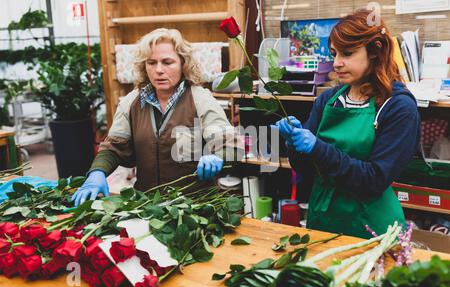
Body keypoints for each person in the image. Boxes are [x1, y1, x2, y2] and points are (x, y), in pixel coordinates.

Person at [274, 10, 421, 238]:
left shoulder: (398, 107)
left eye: (347, 53)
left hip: (372, 227)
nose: (336, 63)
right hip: (324, 219)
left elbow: (373, 180)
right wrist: (292, 141)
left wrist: (318, 148)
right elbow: (304, 168)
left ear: (375, 51)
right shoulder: (328, 100)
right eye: (334, 54)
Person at [72, 28, 238, 206]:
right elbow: (114, 147)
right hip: (147, 207)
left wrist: (218, 156)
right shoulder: (132, 102)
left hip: (195, 208)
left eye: (167, 62)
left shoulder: (200, 99)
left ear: (183, 64)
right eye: (151, 62)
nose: (159, 70)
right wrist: (97, 172)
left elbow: (230, 143)